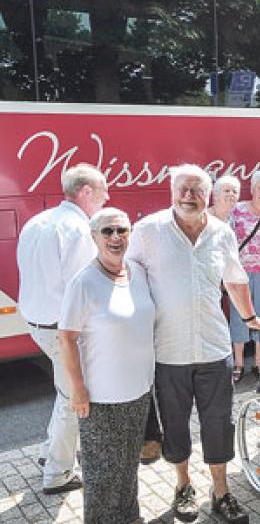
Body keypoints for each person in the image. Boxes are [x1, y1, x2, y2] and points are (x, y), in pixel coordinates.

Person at [127, 164, 260, 523]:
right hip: (168, 350)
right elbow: (126, 280)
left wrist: (251, 319)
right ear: (171, 191)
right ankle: (183, 485)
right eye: (183, 188)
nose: (189, 195)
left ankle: (221, 491)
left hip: (214, 347)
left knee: (218, 422)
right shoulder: (147, 232)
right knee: (175, 424)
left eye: (197, 190)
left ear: (208, 195)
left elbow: (236, 281)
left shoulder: (222, 233)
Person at [16, 163, 109, 494]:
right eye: (102, 191)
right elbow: (84, 287)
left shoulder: (37, 221)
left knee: (64, 393)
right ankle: (58, 473)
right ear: (85, 192)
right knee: (75, 399)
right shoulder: (79, 229)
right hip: (64, 331)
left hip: (37, 324)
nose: (106, 197)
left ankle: (48, 453)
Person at [59, 208, 155, 523]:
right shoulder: (84, 282)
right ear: (94, 236)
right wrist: (78, 390)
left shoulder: (137, 272)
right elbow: (66, 339)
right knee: (102, 477)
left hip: (138, 392)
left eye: (122, 230)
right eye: (107, 231)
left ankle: (131, 517)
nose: (115, 237)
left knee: (127, 468)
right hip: (101, 399)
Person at [228, 171, 260, 380]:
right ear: (252, 189)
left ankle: (259, 361)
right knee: (240, 316)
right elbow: (225, 236)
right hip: (239, 273)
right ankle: (238, 363)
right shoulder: (237, 211)